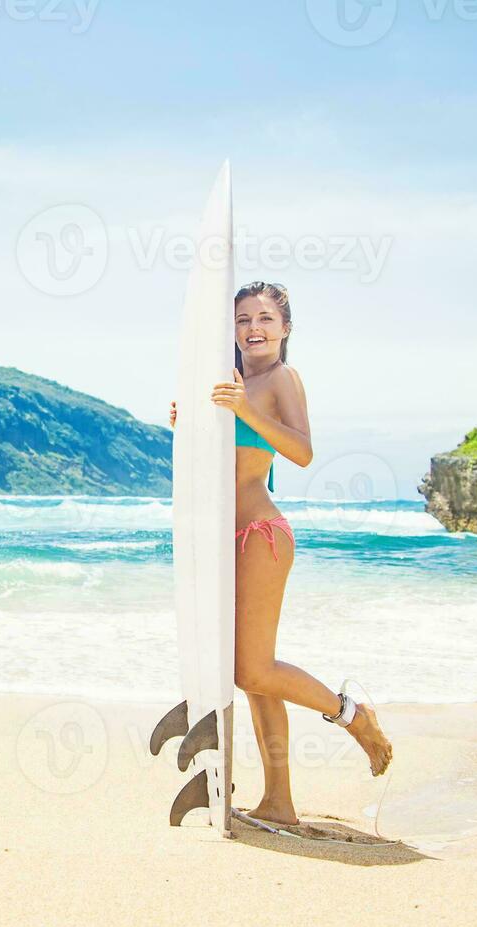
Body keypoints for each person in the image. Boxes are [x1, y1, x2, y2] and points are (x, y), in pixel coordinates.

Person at [168, 281, 392, 827]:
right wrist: (189, 424)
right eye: (242, 320)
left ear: (285, 328)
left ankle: (352, 716)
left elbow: (301, 449)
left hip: (262, 536)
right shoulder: (229, 382)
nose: (253, 329)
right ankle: (280, 803)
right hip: (225, 539)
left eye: (264, 319)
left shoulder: (279, 380)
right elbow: (214, 457)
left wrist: (246, 408)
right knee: (254, 677)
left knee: (254, 667)